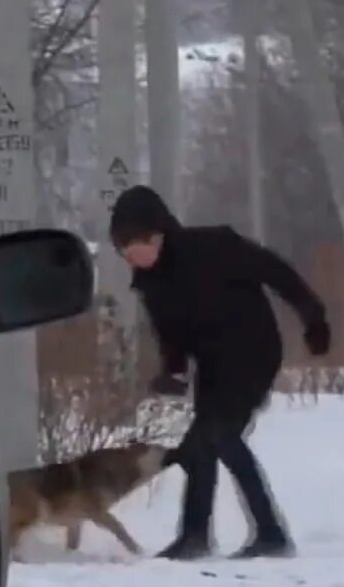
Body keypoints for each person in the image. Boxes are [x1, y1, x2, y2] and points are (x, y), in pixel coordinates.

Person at [109, 185, 331, 560]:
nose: (129, 256)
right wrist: (174, 371)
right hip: (213, 364)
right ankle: (195, 535)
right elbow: (170, 334)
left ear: (158, 234)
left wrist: (313, 317)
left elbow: (277, 273)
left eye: (134, 245)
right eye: (122, 249)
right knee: (201, 443)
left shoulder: (216, 247)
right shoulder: (151, 283)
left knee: (220, 435)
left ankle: (271, 533)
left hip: (254, 352)